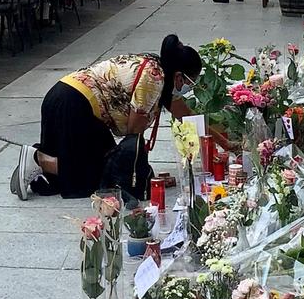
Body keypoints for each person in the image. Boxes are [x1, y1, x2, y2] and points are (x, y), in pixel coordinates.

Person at [12, 36, 205, 202]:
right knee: (96, 175)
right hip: (75, 105)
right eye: (189, 82)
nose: (188, 87)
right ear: (179, 76)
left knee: (106, 159)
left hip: (69, 97)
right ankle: (37, 159)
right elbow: (133, 136)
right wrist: (143, 176)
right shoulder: (154, 78)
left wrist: (223, 143)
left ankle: (41, 161)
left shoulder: (158, 70)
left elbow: (187, 116)